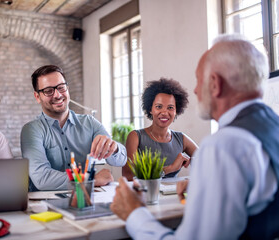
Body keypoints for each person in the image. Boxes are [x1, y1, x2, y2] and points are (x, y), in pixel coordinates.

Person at [110, 34, 279, 239]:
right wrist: (206, 182)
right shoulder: (271, 129)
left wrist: (134, 214)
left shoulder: (224, 146)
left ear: (215, 84)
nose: (197, 90)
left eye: (199, 80)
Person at [21, 65, 127, 191]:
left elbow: (121, 160)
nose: (57, 95)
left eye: (61, 87)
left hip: (85, 201)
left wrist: (113, 148)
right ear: (37, 96)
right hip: (46, 205)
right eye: (49, 91)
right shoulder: (31, 130)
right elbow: (42, 179)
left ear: (67, 89)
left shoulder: (89, 123)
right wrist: (90, 179)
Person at [123, 79, 198, 180]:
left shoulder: (181, 138)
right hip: (146, 194)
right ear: (150, 109)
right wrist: (169, 169)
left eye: (170, 107)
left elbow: (207, 159)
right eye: (159, 107)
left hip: (173, 195)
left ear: (176, 111)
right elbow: (128, 175)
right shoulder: (136, 136)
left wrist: (196, 161)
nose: (164, 112)